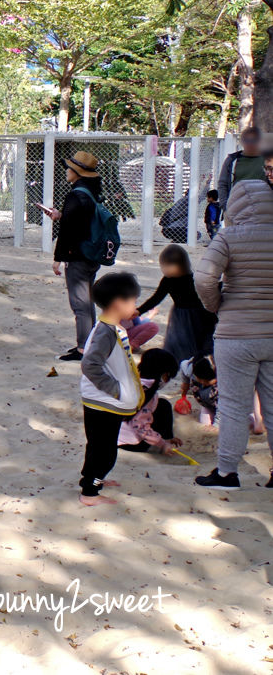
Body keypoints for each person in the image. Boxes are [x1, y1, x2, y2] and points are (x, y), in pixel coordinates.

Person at [193, 179, 273, 490]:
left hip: (236, 335)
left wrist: (216, 306)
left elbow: (204, 279)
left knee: (233, 406)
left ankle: (227, 472)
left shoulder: (227, 237)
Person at [78, 272, 145, 507]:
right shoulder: (105, 332)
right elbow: (90, 365)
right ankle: (90, 492)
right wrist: (116, 389)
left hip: (102, 402)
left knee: (98, 446)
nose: (135, 305)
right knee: (104, 451)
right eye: (133, 301)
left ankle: (93, 480)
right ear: (118, 303)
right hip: (103, 402)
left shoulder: (110, 325)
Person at [41, 150, 105, 362]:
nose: (67, 171)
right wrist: (60, 214)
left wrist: (58, 257)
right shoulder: (91, 193)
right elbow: (77, 222)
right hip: (91, 253)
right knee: (86, 303)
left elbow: (68, 230)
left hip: (78, 255)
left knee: (80, 304)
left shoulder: (76, 195)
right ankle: (88, 344)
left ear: (77, 172)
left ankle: (83, 349)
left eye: (69, 168)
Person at [137, 244, 215, 362]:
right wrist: (139, 311)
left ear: (181, 265)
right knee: (178, 342)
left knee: (201, 341)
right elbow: (157, 298)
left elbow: (206, 296)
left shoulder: (193, 279)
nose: (165, 270)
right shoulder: (168, 280)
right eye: (163, 266)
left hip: (198, 315)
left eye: (168, 266)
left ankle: (198, 365)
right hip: (180, 316)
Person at [117, 348, 181, 455]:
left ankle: (168, 438)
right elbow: (139, 427)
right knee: (162, 407)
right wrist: (162, 443)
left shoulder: (132, 381)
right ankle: (166, 441)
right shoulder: (147, 394)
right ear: (164, 376)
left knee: (163, 404)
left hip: (112, 436)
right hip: (131, 444)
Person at [216, 125, 263, 208]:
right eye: (247, 140)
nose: (250, 143)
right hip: (237, 209)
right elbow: (222, 184)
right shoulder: (232, 160)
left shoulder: (268, 160)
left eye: (254, 140)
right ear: (242, 141)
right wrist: (225, 206)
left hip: (263, 210)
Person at [178, 355, 220, 428]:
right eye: (201, 380)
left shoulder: (223, 380)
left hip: (223, 407)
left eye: (208, 382)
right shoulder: (190, 369)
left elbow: (223, 407)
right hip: (206, 404)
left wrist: (216, 424)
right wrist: (186, 383)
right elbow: (183, 364)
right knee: (204, 424)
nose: (204, 383)